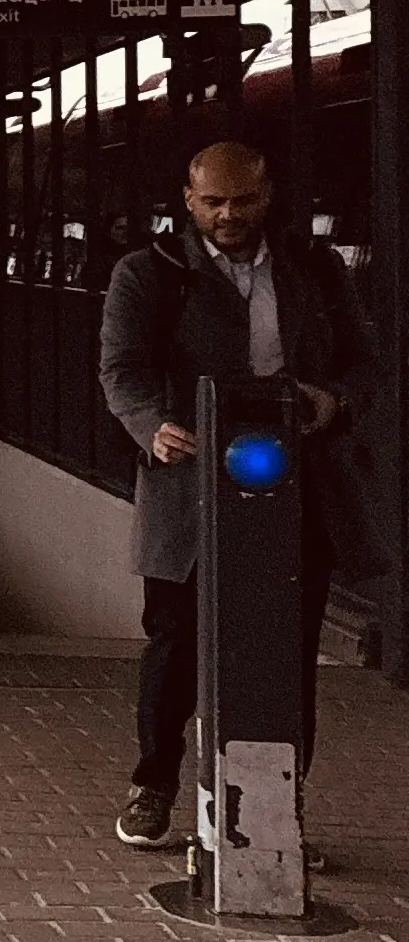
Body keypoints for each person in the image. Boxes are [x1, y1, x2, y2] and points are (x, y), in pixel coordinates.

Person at [96, 140, 368, 848]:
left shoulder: (314, 269)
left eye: (242, 200)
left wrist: (332, 402)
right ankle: (153, 784)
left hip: (293, 483)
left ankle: (279, 805)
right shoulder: (147, 274)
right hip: (188, 486)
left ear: (267, 195)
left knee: (287, 649)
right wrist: (152, 426)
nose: (228, 215)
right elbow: (121, 367)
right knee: (176, 640)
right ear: (187, 200)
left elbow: (365, 361)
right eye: (212, 202)